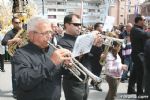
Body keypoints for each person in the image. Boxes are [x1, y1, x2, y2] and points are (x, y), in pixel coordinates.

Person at [12, 16, 72, 100]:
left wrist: (67, 66)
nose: (50, 36)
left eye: (50, 32)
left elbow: (59, 73)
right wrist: (52, 62)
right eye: (45, 33)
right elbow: (24, 81)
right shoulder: (20, 54)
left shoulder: (53, 50)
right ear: (31, 34)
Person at [58, 14, 103, 100]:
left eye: (80, 24)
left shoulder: (81, 39)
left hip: (85, 81)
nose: (79, 27)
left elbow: (92, 58)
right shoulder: (62, 42)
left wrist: (97, 45)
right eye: (76, 24)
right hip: (73, 82)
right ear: (67, 25)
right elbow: (69, 63)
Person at [1, 17, 24, 98]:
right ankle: (15, 92)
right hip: (15, 55)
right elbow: (3, 42)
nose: (18, 24)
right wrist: (14, 40)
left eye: (19, 22)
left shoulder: (23, 32)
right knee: (15, 74)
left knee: (24, 73)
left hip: (25, 56)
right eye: (16, 22)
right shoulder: (10, 33)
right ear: (13, 23)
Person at [130, 15, 150, 97]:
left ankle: (131, 89)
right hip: (139, 56)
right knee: (141, 75)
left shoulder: (138, 29)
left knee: (135, 74)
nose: (145, 21)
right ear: (139, 21)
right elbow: (147, 35)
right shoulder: (135, 29)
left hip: (140, 55)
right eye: (144, 19)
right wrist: (148, 28)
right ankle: (140, 93)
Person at [90, 22, 104, 91]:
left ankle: (93, 82)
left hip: (100, 54)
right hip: (94, 55)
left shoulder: (101, 34)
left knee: (98, 70)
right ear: (97, 27)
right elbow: (92, 46)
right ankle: (97, 84)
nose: (102, 28)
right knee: (96, 71)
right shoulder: (93, 34)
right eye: (101, 27)